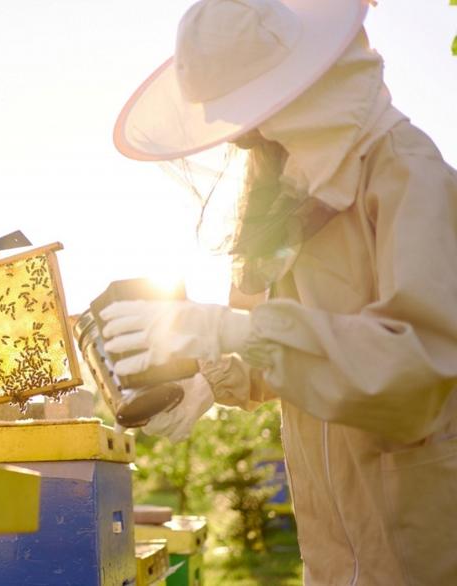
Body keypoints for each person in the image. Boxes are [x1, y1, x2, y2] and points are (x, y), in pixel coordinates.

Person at [100, 0, 457, 583]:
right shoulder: (300, 194)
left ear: (301, 90)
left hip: (420, 540)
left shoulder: (407, 171)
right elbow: (294, 350)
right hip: (333, 545)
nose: (248, 140)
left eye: (254, 119)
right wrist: (206, 384)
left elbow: (417, 365)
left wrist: (233, 329)